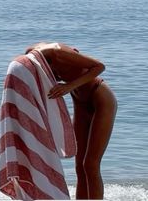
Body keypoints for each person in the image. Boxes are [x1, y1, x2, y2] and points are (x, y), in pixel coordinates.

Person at [25, 42, 117, 200]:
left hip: (100, 99)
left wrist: (69, 86)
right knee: (79, 166)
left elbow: (99, 67)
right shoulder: (33, 57)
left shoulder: (58, 53)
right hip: (80, 103)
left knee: (91, 164)